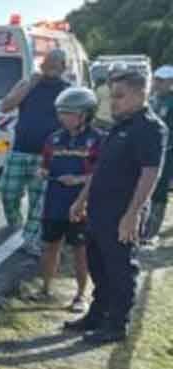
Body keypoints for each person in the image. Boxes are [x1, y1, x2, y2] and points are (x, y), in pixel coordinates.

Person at [69, 70, 168, 345]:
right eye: (112, 96)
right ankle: (97, 315)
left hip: (123, 211)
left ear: (141, 94)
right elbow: (100, 169)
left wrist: (133, 214)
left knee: (120, 269)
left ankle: (116, 325)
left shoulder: (150, 128)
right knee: (98, 265)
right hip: (100, 209)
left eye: (120, 96)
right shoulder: (119, 125)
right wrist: (81, 199)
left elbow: (150, 173)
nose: (113, 103)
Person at [37, 87, 103, 311]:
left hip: (81, 206)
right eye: (61, 112)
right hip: (54, 203)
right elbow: (45, 165)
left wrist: (78, 180)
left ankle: (81, 295)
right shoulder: (53, 139)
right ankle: (45, 289)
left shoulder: (97, 140)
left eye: (68, 113)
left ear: (85, 114)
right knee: (49, 246)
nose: (62, 117)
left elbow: (102, 174)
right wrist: (43, 172)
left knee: (80, 250)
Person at [0, 49, 71, 256]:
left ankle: (30, 240)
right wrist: (30, 84)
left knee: (38, 200)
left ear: (63, 67)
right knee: (7, 191)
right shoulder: (27, 84)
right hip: (20, 149)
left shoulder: (67, 90)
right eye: (48, 63)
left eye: (56, 64)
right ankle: (15, 222)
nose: (51, 68)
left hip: (47, 155)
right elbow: (6, 106)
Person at [144, 65, 173, 243]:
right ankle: (144, 228)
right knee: (147, 188)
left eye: (162, 81)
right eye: (157, 80)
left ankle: (152, 232)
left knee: (159, 192)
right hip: (150, 150)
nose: (157, 84)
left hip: (167, 152)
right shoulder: (153, 99)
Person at [92, 64, 114, 130]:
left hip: (100, 120)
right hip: (111, 120)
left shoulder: (98, 90)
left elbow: (94, 105)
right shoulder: (112, 88)